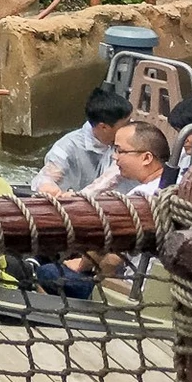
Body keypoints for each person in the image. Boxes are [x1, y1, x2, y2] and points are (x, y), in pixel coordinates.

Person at [38, 121, 171, 298]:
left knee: (47, 272)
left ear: (146, 158)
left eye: (120, 151)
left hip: (134, 291)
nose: (115, 157)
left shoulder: (141, 198)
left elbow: (113, 257)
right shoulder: (172, 186)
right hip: (161, 285)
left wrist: (87, 270)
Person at [34, 85, 133, 197]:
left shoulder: (132, 140)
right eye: (126, 124)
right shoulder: (67, 146)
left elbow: (113, 176)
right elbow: (47, 175)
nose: (130, 127)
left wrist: (81, 196)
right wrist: (48, 186)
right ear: (103, 127)